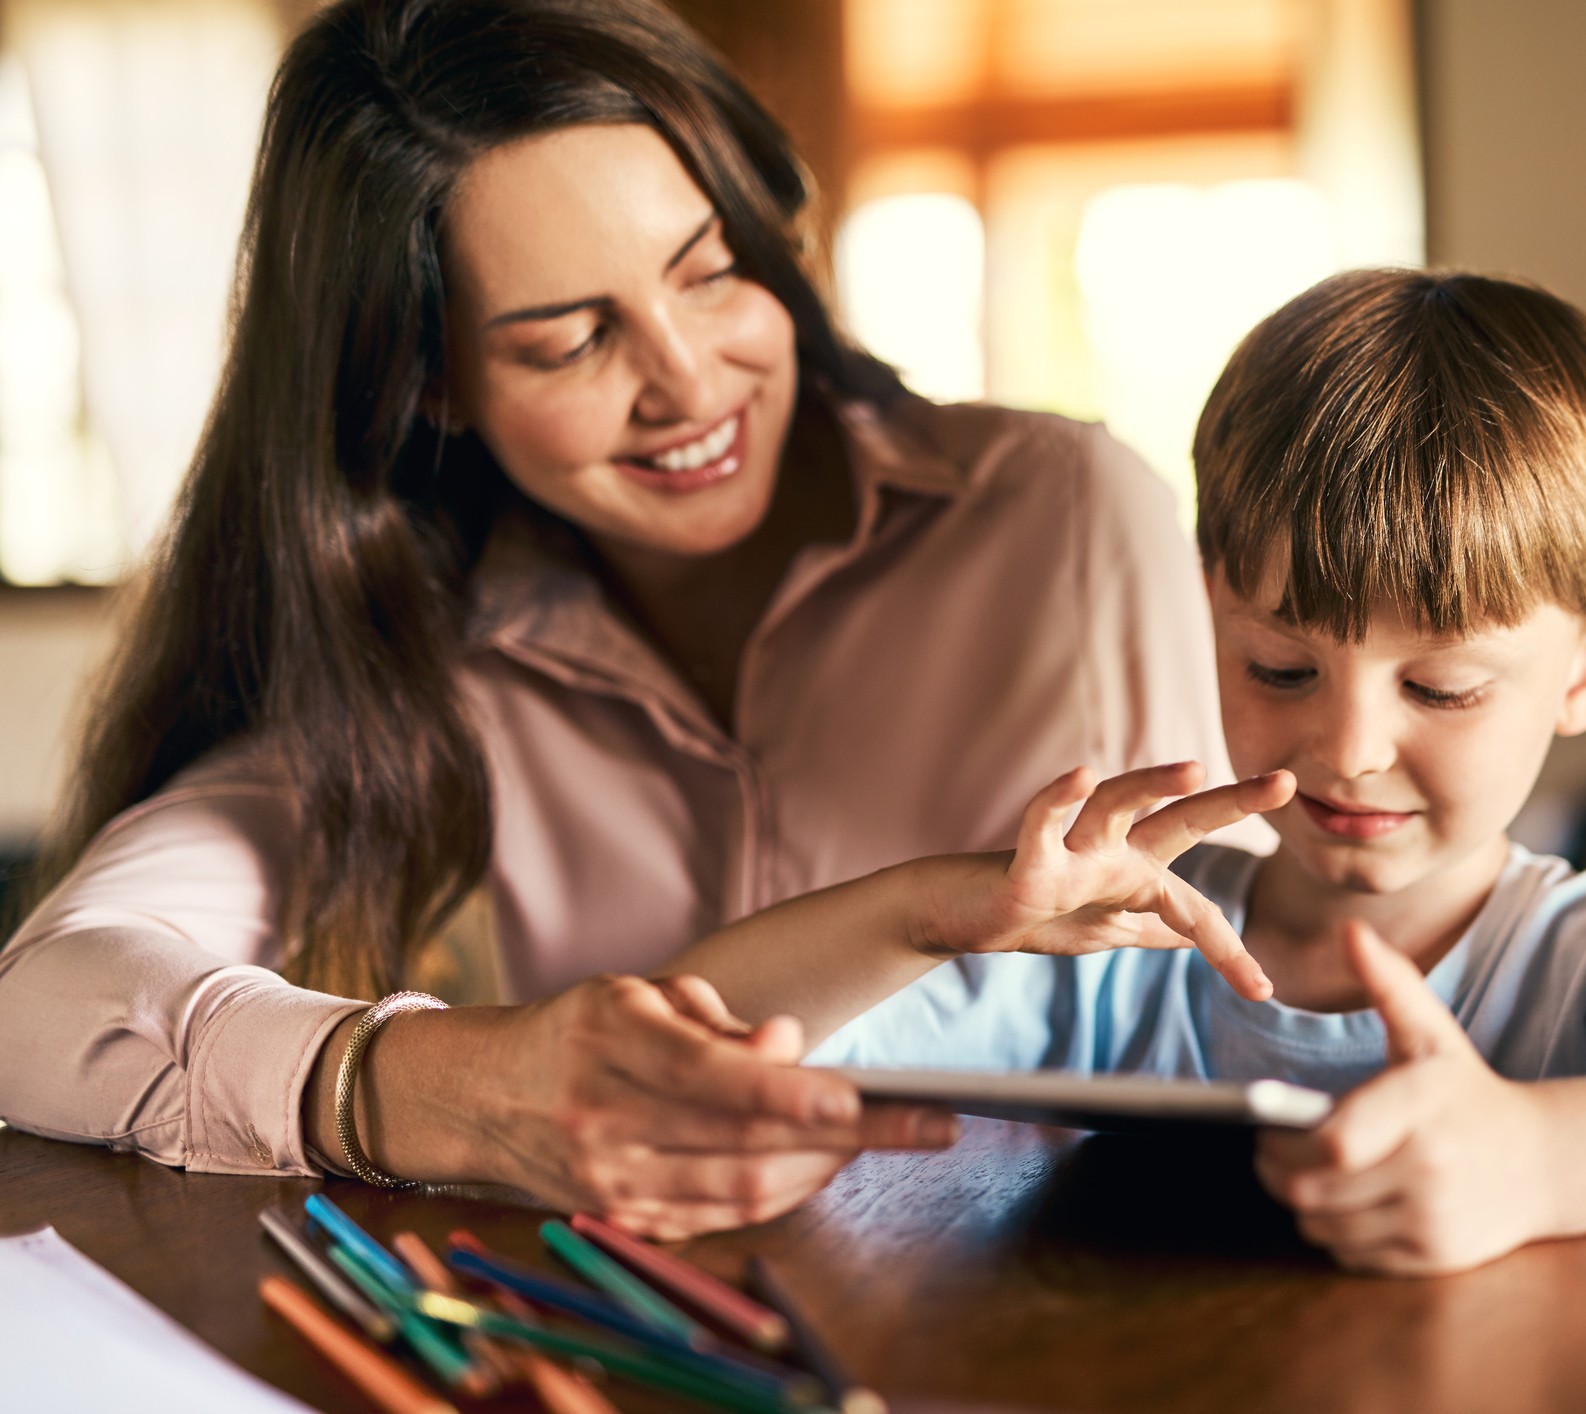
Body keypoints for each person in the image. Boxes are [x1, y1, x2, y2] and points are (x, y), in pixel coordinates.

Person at [0, 0, 1278, 1238]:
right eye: (570, 343)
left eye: (709, 271)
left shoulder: (1062, 518)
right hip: (624, 1321)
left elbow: (1233, 981)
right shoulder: (412, 645)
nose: (687, 380)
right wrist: (445, 1086)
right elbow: (46, 1003)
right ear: (432, 384)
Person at [715, 269, 1586, 1273]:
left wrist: (1536, 1163)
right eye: (1278, 670)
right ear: (1208, 616)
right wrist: (940, 908)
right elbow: (696, 1034)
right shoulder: (1129, 942)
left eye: (1440, 686)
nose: (1343, 747)